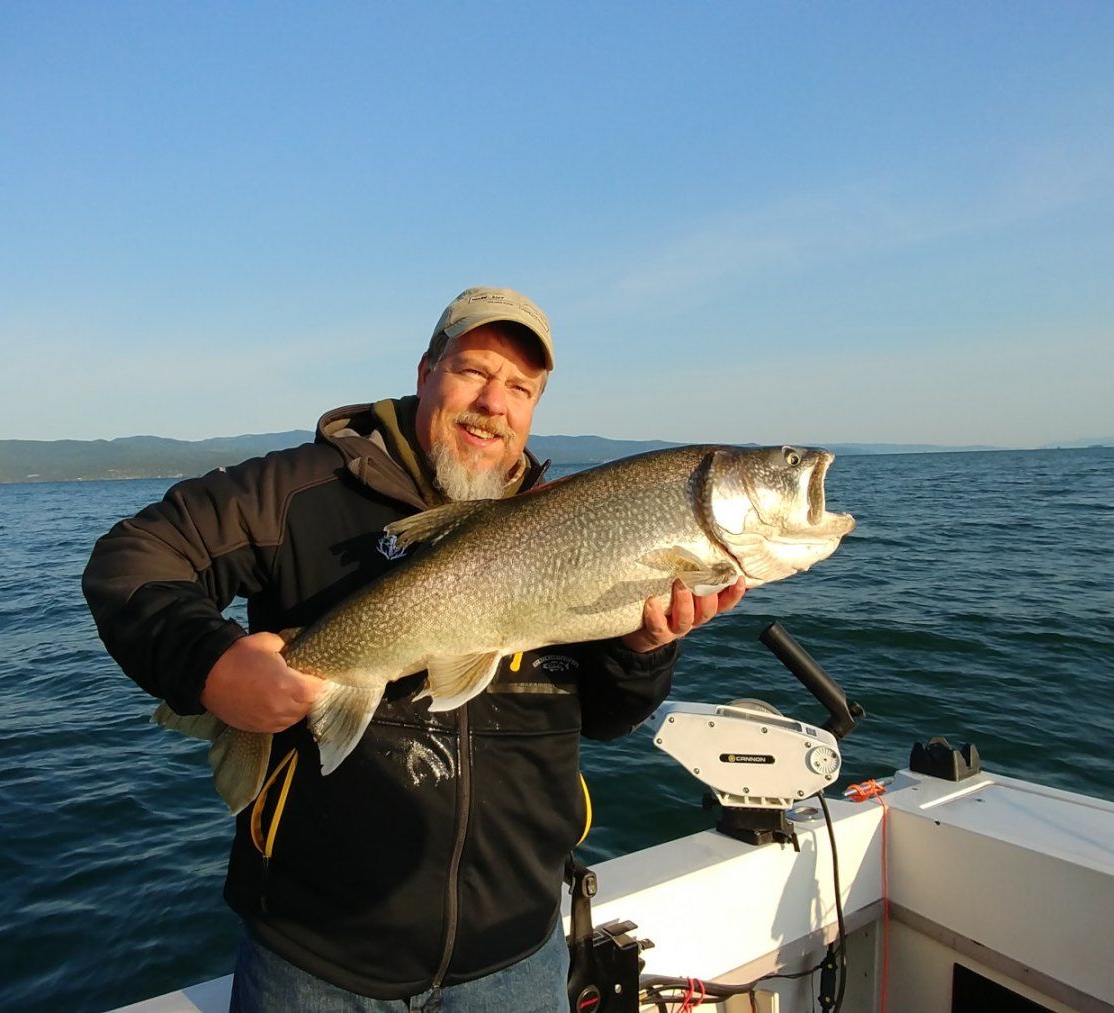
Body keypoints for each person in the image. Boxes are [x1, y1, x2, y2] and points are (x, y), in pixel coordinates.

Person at [82, 287, 745, 1012]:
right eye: (473, 371)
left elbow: (610, 715)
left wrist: (646, 646)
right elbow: (132, 559)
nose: (494, 402)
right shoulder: (301, 491)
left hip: (517, 956)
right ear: (427, 370)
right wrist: (211, 665)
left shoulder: (569, 519)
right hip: (315, 960)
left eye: (520, 387)